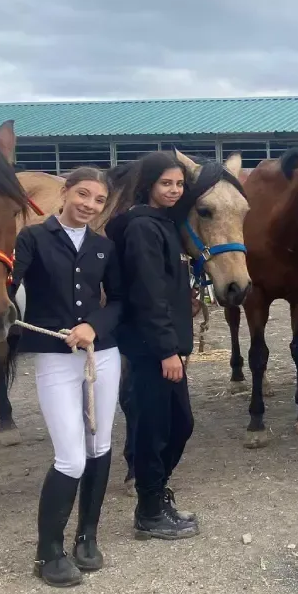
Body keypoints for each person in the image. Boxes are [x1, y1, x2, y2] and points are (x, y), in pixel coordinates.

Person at [12, 168, 123, 587]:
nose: (89, 205)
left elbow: (120, 300)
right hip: (56, 356)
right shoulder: (33, 238)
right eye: (82, 194)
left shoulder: (102, 246)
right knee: (70, 456)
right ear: (64, 192)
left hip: (101, 354)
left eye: (98, 199)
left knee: (100, 444)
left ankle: (87, 536)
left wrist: (94, 325)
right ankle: (48, 553)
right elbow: (10, 287)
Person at [105, 152, 199, 540]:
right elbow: (147, 293)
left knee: (180, 423)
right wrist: (165, 350)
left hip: (166, 345)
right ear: (149, 185)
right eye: (167, 184)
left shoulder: (164, 224)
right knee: (154, 428)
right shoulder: (143, 228)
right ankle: (148, 510)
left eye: (179, 184)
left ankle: (157, 495)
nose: (174, 190)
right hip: (152, 349)